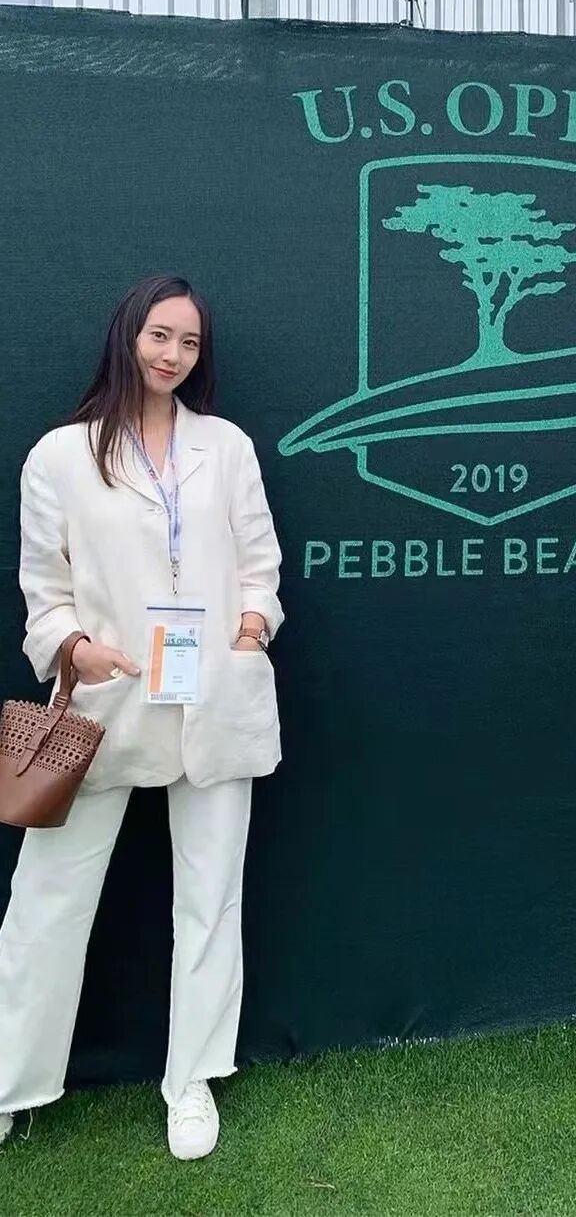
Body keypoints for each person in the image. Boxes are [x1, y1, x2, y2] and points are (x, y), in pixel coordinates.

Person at [0, 275, 284, 1159]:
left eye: (189, 342)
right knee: (46, 899)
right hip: (106, 704)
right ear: (128, 335)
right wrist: (74, 647)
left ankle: (191, 1078)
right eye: (160, 335)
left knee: (211, 897)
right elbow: (43, 590)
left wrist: (251, 626)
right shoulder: (59, 456)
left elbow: (261, 561)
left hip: (214, 699)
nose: (173, 355)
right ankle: (7, 1078)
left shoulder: (225, 447)